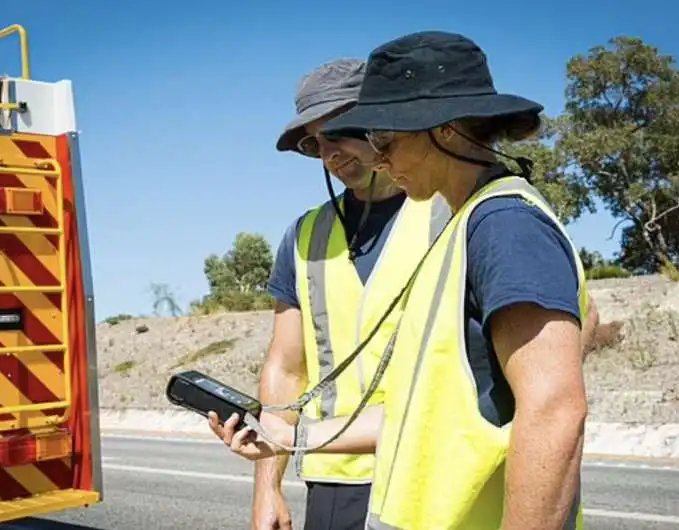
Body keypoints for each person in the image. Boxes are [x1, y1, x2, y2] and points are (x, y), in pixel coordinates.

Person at [212, 32, 598, 530]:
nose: (378, 158)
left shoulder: (504, 226)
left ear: (447, 130)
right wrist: (288, 439)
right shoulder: (459, 230)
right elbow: (419, 411)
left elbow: (554, 411)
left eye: (384, 137)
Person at [256, 58, 450, 530]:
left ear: (383, 121)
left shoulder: (454, 211)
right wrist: (268, 489)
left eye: (338, 133)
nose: (329, 155)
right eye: (314, 144)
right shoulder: (305, 236)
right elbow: (285, 368)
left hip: (435, 472)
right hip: (334, 477)